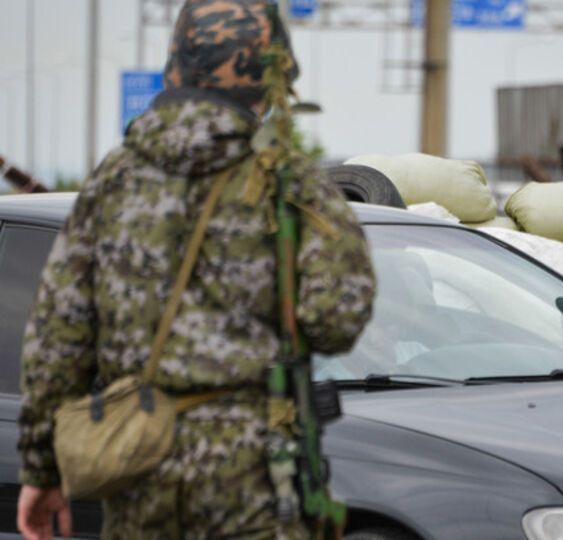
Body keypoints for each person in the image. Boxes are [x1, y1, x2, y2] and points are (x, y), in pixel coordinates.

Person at [16, 1, 376, 538]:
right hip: (252, 471)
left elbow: (58, 335)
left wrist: (42, 467)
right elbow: (337, 319)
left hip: (136, 460)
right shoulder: (289, 183)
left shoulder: (115, 179)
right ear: (270, 82)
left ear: (176, 68)